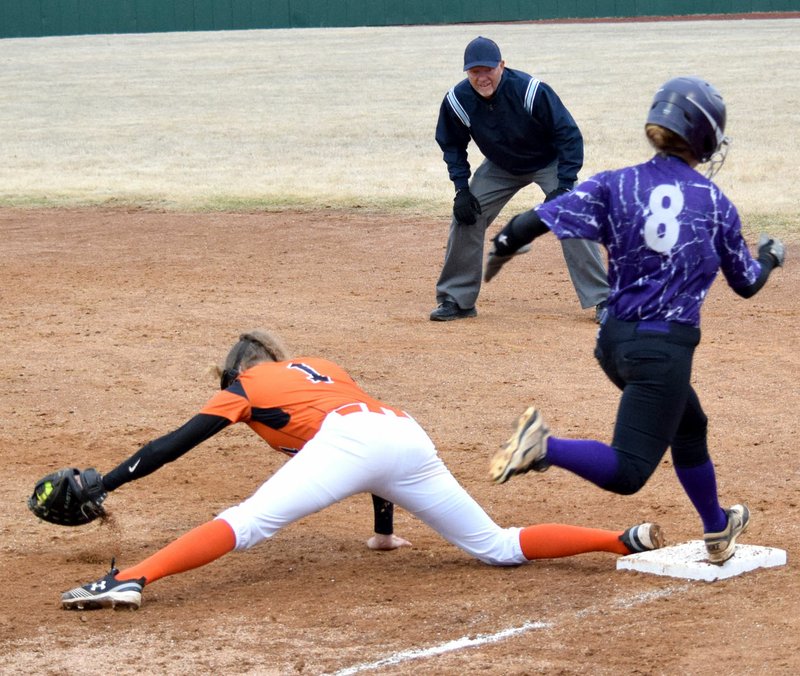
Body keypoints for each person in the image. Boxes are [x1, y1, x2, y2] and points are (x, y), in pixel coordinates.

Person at [60, 329, 663, 610]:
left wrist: (106, 483)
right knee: (497, 545)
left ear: (234, 372)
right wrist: (381, 531)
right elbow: (373, 456)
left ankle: (130, 578)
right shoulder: (318, 366)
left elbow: (174, 443)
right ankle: (622, 538)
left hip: (355, 440)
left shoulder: (243, 385)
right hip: (404, 432)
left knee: (246, 522)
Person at [482, 76, 786, 565]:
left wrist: (503, 245)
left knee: (690, 426)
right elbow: (746, 281)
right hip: (661, 353)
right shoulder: (713, 203)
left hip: (614, 345)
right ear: (706, 138)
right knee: (628, 472)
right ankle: (543, 447)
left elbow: (538, 217)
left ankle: (716, 527)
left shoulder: (614, 182)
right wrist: (772, 256)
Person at [430, 36, 609, 323]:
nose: (482, 77)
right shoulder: (457, 100)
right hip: (501, 165)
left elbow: (569, 134)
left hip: (548, 161)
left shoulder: (530, 90)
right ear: (466, 72)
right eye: (475, 72)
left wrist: (564, 185)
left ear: (502, 65)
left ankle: (604, 299)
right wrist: (461, 190)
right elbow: (452, 146)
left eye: (488, 69)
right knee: (467, 216)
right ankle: (457, 299)